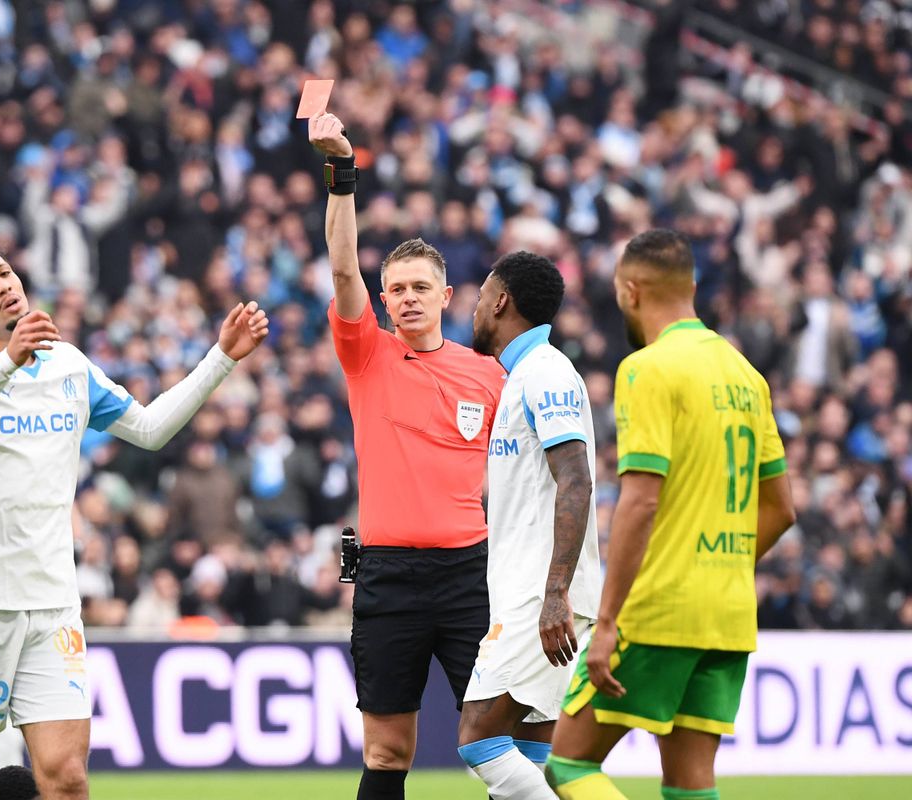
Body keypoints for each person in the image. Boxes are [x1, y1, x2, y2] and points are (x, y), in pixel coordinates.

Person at [0, 247, 268, 800]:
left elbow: (150, 429)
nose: (2, 285)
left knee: (68, 779)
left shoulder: (70, 366)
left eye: (4, 273)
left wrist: (221, 357)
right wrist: (6, 361)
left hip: (53, 602)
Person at [545, 230, 796, 799]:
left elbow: (641, 499)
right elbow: (781, 508)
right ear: (693, 287)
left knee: (569, 766)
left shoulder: (647, 369)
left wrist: (606, 621)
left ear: (631, 291)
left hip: (660, 608)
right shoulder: (746, 376)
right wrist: (722, 567)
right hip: (729, 614)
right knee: (689, 782)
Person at [308, 113, 505, 800]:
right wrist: (342, 174)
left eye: (421, 287)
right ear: (382, 300)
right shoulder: (367, 354)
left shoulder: (488, 373)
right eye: (396, 289)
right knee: (387, 753)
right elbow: (340, 264)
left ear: (446, 297)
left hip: (470, 574)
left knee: (499, 741)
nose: (407, 298)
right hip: (389, 573)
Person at [457, 251, 603, 797]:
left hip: (539, 596)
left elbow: (577, 480)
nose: (473, 309)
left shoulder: (544, 371)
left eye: (479, 296)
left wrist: (555, 592)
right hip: (532, 592)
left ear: (501, 301)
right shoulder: (522, 376)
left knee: (478, 739)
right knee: (528, 751)